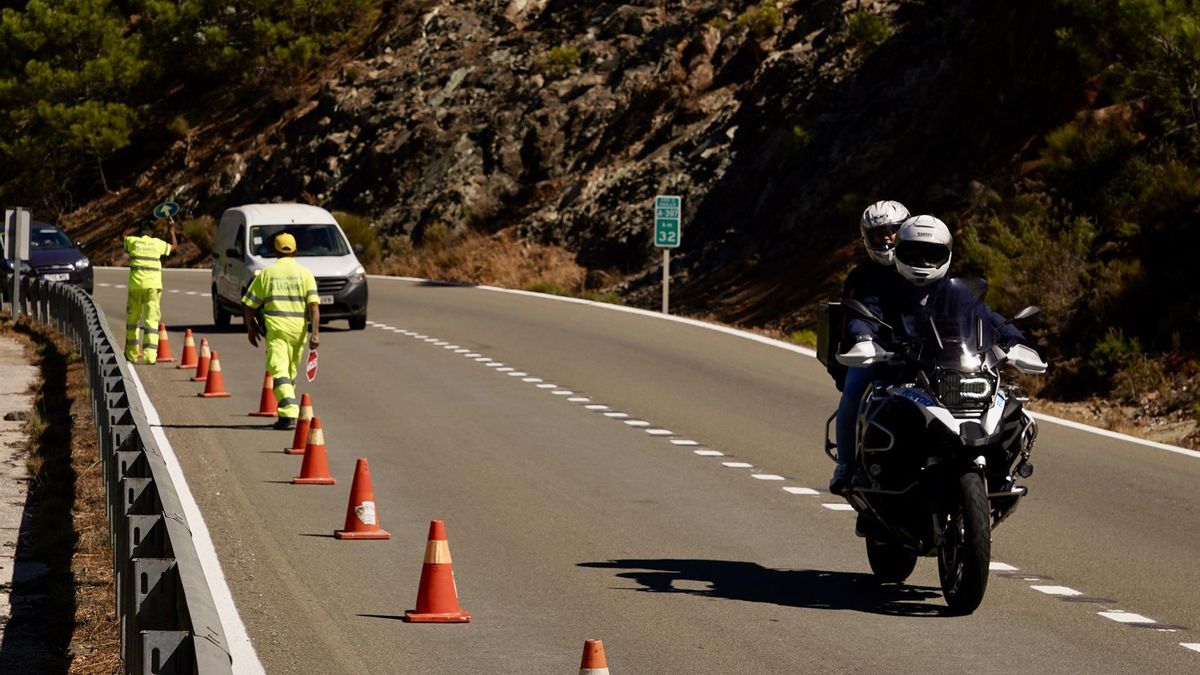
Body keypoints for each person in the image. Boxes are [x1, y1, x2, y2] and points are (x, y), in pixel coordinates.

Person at [830, 200, 910, 494]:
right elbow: (852, 315)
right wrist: (862, 341)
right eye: (880, 233)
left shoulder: (922, 264)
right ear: (868, 237)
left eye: (893, 230)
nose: (887, 237)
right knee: (853, 392)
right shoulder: (861, 276)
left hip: (921, 350)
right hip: (875, 352)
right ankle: (846, 465)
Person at [241, 232, 320, 430]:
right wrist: (315, 334)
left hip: (276, 330)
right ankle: (286, 412)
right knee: (290, 372)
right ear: (295, 251)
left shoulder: (267, 273)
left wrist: (251, 328)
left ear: (275, 251)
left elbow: (250, 305)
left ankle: (289, 413)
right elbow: (314, 308)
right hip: (298, 332)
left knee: (279, 370)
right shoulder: (305, 274)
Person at [123, 219, 177, 364]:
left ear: (138, 232)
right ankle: (150, 356)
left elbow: (123, 238)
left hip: (135, 287)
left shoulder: (133, 242)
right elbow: (173, 247)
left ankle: (131, 354)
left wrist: (127, 222)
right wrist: (171, 229)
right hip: (152, 288)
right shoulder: (157, 244)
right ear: (152, 233)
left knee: (132, 321)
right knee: (151, 321)